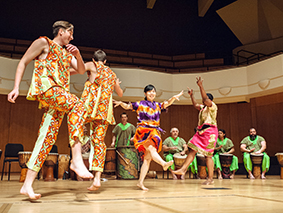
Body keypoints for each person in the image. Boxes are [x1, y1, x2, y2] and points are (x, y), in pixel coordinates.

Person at [7, 21, 93, 199]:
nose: (72, 37)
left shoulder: (66, 53)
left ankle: (27, 185)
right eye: (70, 33)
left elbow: (82, 69)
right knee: (77, 104)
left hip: (59, 97)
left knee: (46, 138)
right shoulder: (44, 43)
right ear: (61, 32)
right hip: (48, 89)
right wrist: (16, 87)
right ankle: (76, 158)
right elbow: (23, 61)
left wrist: (77, 54)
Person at [114, 84, 183, 190]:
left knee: (147, 159)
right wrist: (120, 103)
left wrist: (173, 98)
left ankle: (140, 182)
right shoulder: (140, 104)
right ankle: (163, 164)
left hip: (154, 132)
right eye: (150, 91)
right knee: (151, 149)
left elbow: (167, 103)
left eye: (154, 91)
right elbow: (128, 107)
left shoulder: (158, 105)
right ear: (145, 94)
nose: (152, 93)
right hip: (143, 133)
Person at [79, 49, 123, 191]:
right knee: (98, 143)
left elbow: (77, 70)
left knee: (75, 128)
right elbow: (120, 94)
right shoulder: (112, 73)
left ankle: (77, 161)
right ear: (105, 61)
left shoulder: (92, 66)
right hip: (104, 112)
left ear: (93, 60)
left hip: (90, 107)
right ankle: (97, 178)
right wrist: (117, 84)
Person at [173, 77, 218, 185]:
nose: (204, 101)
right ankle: (183, 169)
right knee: (192, 148)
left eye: (206, 99)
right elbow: (195, 105)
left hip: (210, 132)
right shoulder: (203, 108)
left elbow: (205, 100)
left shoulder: (213, 106)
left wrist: (200, 86)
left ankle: (210, 178)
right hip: (201, 132)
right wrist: (192, 95)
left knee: (208, 156)